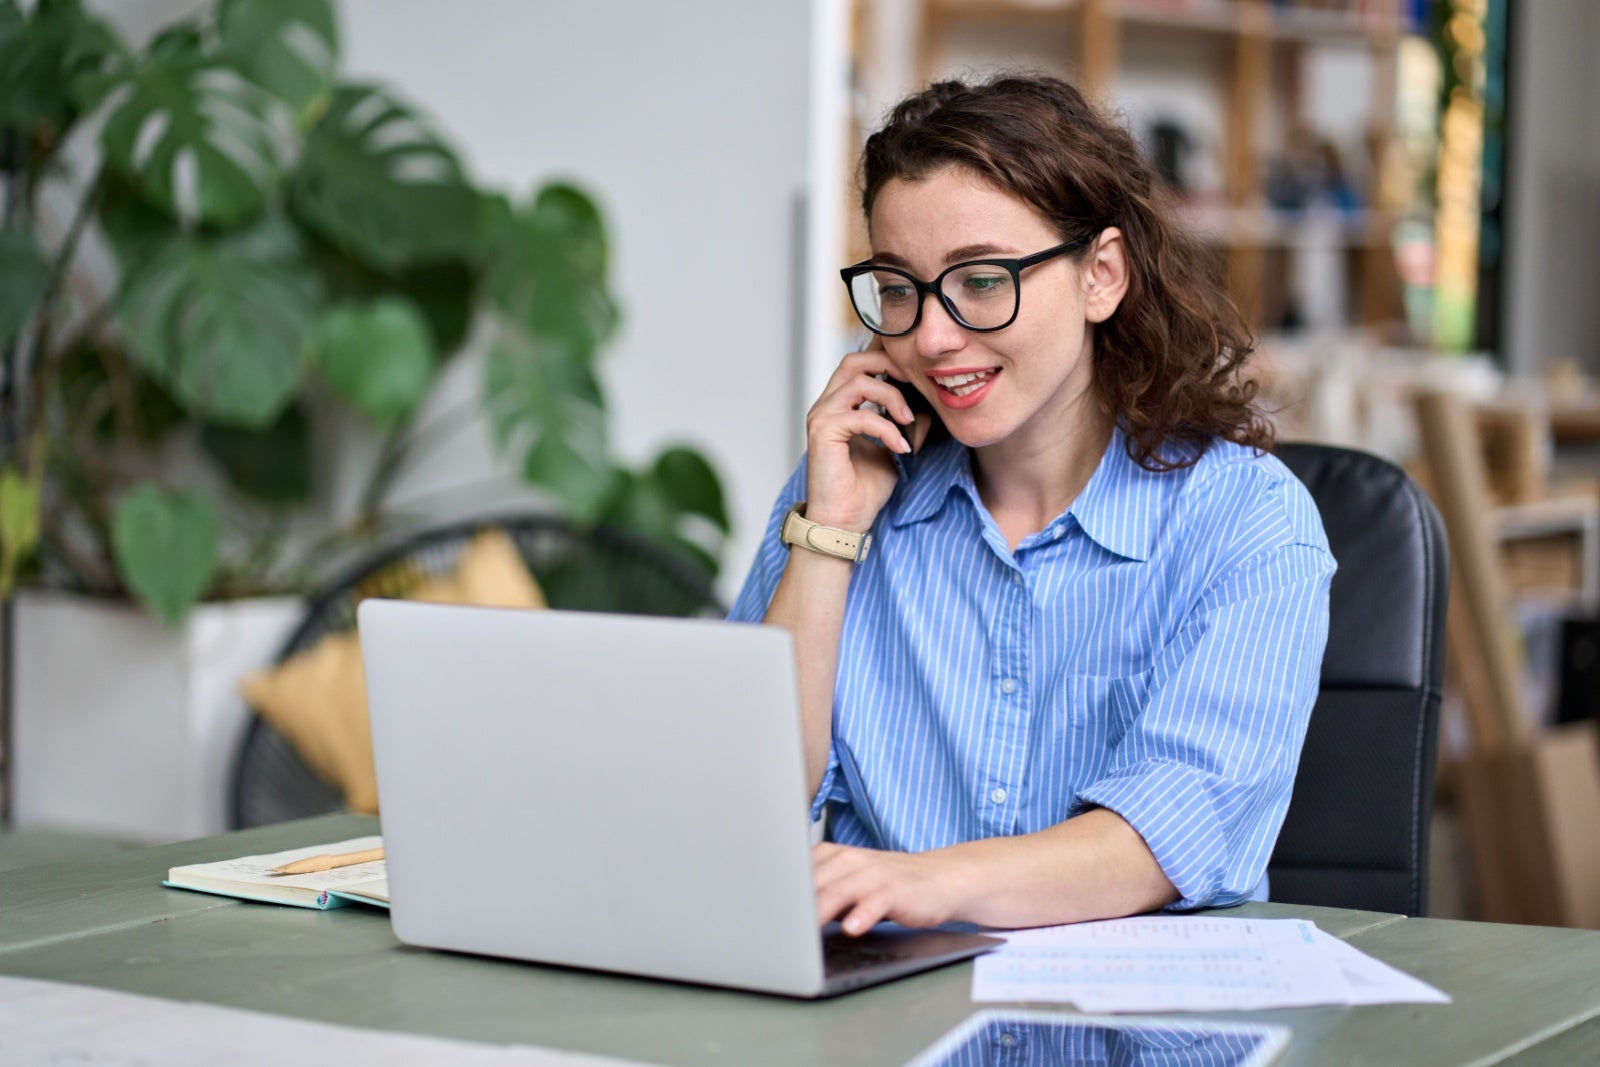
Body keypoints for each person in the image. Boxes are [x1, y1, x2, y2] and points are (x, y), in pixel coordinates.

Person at [729, 75, 1334, 936]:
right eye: (898, 287)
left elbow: (1165, 837)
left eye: (980, 280)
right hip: (887, 1024)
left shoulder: (1246, 523)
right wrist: (829, 535)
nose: (931, 336)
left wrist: (924, 883)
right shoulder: (841, 495)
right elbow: (747, 800)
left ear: (1101, 275)